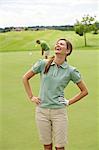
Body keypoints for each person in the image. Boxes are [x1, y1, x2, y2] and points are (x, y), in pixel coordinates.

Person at [23, 38, 88, 150]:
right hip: (41, 112)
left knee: (59, 147)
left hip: (59, 113)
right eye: (57, 43)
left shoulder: (71, 71)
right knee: (47, 147)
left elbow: (84, 91)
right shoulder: (43, 64)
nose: (58, 45)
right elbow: (25, 78)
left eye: (61, 44)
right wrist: (31, 97)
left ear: (67, 51)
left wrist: (68, 102)